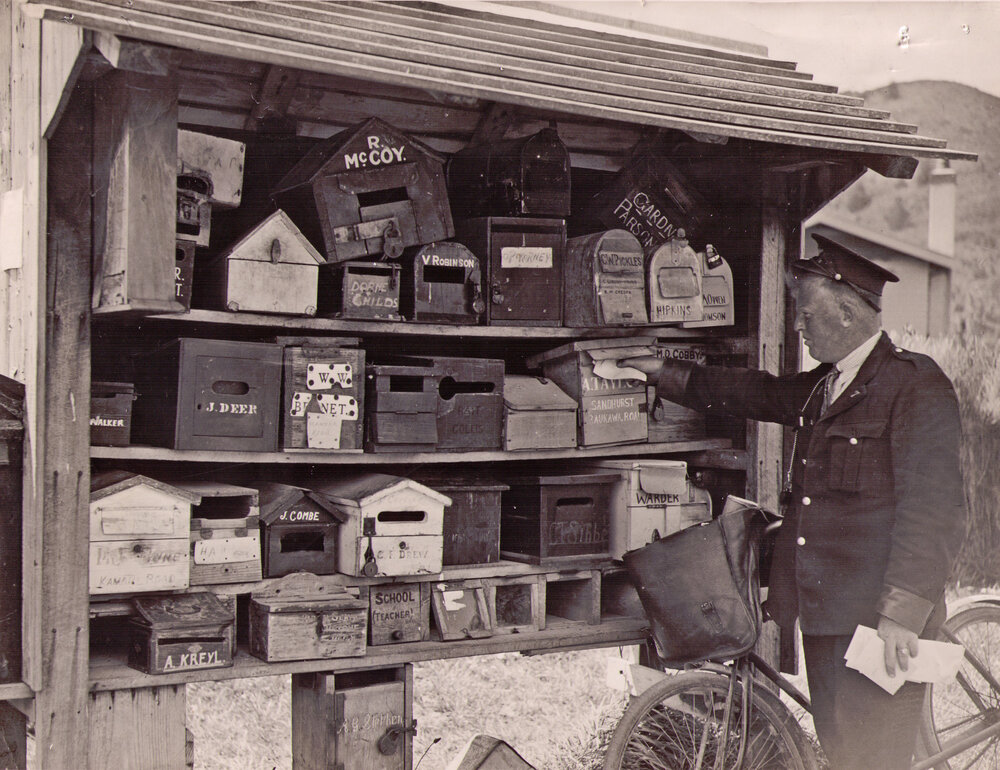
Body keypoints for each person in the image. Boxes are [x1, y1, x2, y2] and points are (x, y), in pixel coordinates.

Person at [624, 234, 967, 770]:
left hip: (879, 624)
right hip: (827, 614)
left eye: (806, 314)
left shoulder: (914, 386)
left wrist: (901, 615)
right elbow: (757, 392)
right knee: (841, 750)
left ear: (848, 311)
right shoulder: (826, 385)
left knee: (876, 760)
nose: (798, 325)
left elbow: (936, 511)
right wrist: (664, 374)